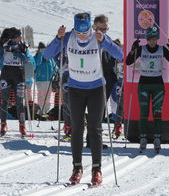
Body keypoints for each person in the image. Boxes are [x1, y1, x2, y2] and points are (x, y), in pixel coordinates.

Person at [45, 12, 123, 186]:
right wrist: (58, 39)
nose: (81, 36)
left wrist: (105, 41)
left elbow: (121, 55)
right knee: (77, 129)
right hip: (75, 89)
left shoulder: (98, 37)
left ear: (90, 28)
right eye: (79, 33)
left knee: (95, 129)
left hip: (96, 88)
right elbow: (47, 55)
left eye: (84, 33)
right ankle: (77, 168)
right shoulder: (67, 37)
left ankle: (97, 170)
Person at [126, 26, 169, 153]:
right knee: (143, 112)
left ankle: (157, 138)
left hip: (157, 84)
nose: (152, 41)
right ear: (146, 39)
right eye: (150, 39)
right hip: (144, 83)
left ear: (157, 39)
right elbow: (128, 62)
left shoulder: (162, 49)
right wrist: (132, 50)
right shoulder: (141, 49)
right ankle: (143, 138)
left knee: (157, 112)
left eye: (154, 39)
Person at [0, 27, 28, 137]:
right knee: (4, 101)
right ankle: (3, 124)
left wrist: (16, 51)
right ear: (14, 37)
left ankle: (22, 125)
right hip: (6, 73)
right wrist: (3, 50)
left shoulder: (22, 45)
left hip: (18, 73)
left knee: (19, 102)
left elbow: (26, 59)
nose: (20, 38)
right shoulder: (4, 45)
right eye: (19, 36)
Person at [34, 42, 55, 117]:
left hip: (49, 79)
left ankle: (47, 111)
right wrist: (40, 53)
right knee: (41, 95)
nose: (44, 50)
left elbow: (53, 66)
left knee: (48, 96)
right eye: (42, 49)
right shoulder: (37, 56)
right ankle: (41, 110)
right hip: (40, 79)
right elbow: (37, 63)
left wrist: (54, 74)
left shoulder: (50, 57)